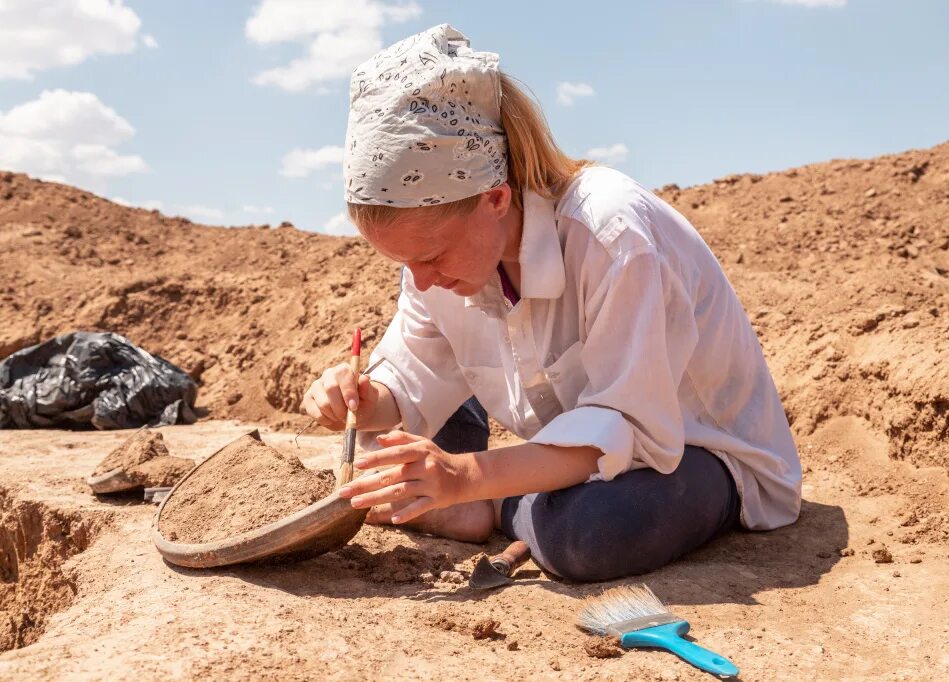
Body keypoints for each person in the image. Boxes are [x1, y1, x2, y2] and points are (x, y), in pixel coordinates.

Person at [302, 24, 801, 582]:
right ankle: (496, 498)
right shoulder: (438, 263)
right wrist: (365, 400)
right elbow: (414, 373)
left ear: (495, 198)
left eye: (432, 256)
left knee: (590, 535)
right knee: (395, 452)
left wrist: (467, 478)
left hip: (694, 451)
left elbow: (625, 424)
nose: (418, 281)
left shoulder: (611, 233)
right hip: (565, 452)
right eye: (404, 263)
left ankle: (492, 508)